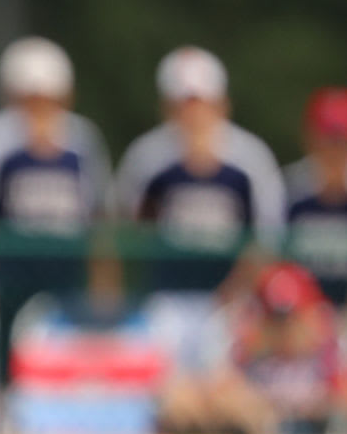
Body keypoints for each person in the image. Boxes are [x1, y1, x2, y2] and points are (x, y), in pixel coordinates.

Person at [0, 36, 117, 378]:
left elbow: (101, 222)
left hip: (67, 267)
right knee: (2, 360)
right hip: (10, 268)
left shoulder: (82, 140)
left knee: (69, 357)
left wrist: (105, 288)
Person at [116, 46, 286, 296]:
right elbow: (121, 227)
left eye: (201, 104)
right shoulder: (146, 156)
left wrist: (235, 291)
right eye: (184, 105)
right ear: (167, 108)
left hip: (236, 298)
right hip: (164, 294)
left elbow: (268, 237)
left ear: (221, 104)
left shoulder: (251, 157)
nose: (193, 114)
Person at [160, 262, 347, 434]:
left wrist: (312, 405)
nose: (284, 327)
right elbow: (215, 392)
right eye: (275, 318)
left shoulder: (334, 334)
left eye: (292, 317)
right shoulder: (242, 336)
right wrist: (252, 403)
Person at [283, 86, 347, 308]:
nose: (336, 150)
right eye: (329, 139)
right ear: (310, 138)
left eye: (344, 139)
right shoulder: (290, 190)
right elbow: (274, 264)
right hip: (297, 314)